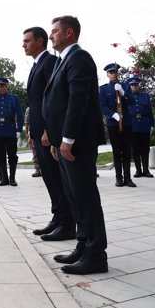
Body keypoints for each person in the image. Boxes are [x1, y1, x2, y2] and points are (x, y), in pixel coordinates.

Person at [42, 15, 108, 275]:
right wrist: (55, 139)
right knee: (74, 197)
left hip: (78, 142)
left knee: (85, 197)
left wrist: (67, 138)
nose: (51, 36)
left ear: (69, 33)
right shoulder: (63, 60)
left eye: (55, 31)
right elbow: (57, 102)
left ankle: (96, 255)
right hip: (64, 143)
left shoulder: (79, 57)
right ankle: (83, 245)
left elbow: (77, 100)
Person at [23, 26, 75, 241]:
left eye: (27, 40)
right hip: (37, 131)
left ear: (40, 41)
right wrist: (31, 131)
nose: (23, 44)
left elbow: (52, 100)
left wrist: (47, 130)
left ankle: (67, 223)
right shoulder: (37, 64)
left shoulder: (50, 63)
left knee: (56, 178)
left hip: (47, 132)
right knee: (49, 178)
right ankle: (57, 218)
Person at [99, 63, 136, 187]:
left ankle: (128, 178)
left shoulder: (125, 86)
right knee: (116, 151)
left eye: (115, 72)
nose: (114, 74)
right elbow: (102, 106)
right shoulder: (103, 89)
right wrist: (112, 115)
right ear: (108, 74)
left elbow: (132, 101)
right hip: (113, 123)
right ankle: (118, 178)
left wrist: (123, 92)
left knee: (126, 151)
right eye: (111, 72)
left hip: (126, 122)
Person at [127, 76, 155, 178]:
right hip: (132, 125)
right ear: (129, 86)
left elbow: (150, 112)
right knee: (135, 149)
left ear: (139, 85)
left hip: (144, 124)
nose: (134, 86)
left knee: (145, 149)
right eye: (132, 85)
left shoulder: (145, 96)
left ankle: (146, 170)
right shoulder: (126, 97)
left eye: (136, 85)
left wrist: (152, 125)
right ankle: (138, 170)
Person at [25, 107, 42, 177]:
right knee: (35, 152)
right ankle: (37, 169)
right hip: (33, 133)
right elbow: (27, 122)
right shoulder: (29, 109)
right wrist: (26, 134)